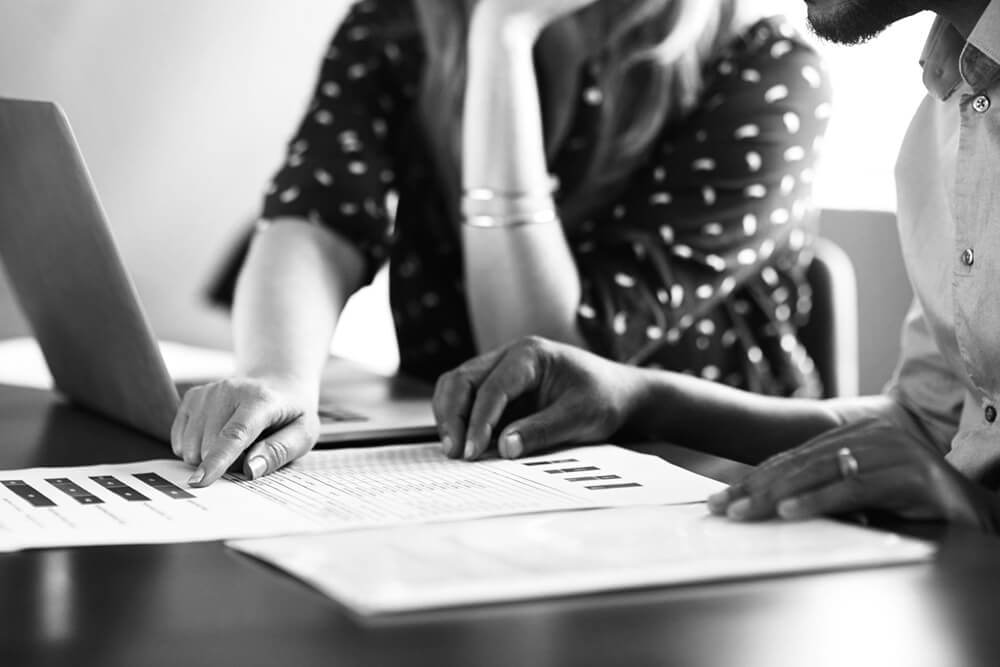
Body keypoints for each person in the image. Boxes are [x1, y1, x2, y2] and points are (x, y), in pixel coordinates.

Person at [175, 0, 830, 486]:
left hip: (702, 484)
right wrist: (275, 374)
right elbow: (317, 217)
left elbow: (549, 368)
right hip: (476, 474)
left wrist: (503, 32)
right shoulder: (396, 25)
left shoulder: (765, 67)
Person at [432, 0, 1000, 531]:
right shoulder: (949, 110)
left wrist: (974, 505)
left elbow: (944, 466)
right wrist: (637, 396)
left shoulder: (764, 67)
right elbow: (925, 428)